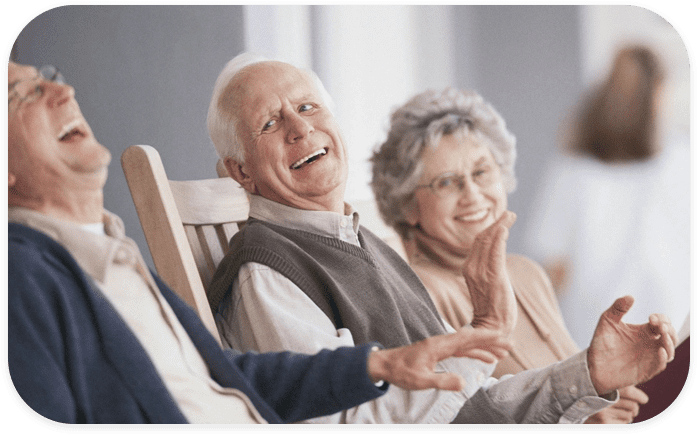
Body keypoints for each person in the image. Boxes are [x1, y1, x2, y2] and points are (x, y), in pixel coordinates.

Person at [8, 60, 515, 424]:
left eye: (309, 106)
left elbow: (222, 373)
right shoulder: (23, 274)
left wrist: (372, 364)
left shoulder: (109, 253)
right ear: (241, 172)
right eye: (23, 95)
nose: (65, 91)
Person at [206, 52, 678, 424]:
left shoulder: (363, 244)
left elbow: (467, 405)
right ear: (241, 169)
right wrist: (482, 336)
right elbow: (345, 418)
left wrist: (588, 376)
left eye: (308, 107)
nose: (301, 127)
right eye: (270, 122)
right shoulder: (265, 270)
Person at [370, 87, 654, 423]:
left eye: (481, 172)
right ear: (407, 205)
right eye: (446, 182)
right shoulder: (417, 294)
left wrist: (609, 389)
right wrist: (583, 414)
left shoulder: (526, 273)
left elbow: (579, 380)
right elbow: (458, 417)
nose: (472, 195)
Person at [522, 45, 690, 422]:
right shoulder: (682, 162)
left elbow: (553, 270)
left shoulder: (572, 168)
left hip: (596, 337)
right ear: (660, 92)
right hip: (671, 330)